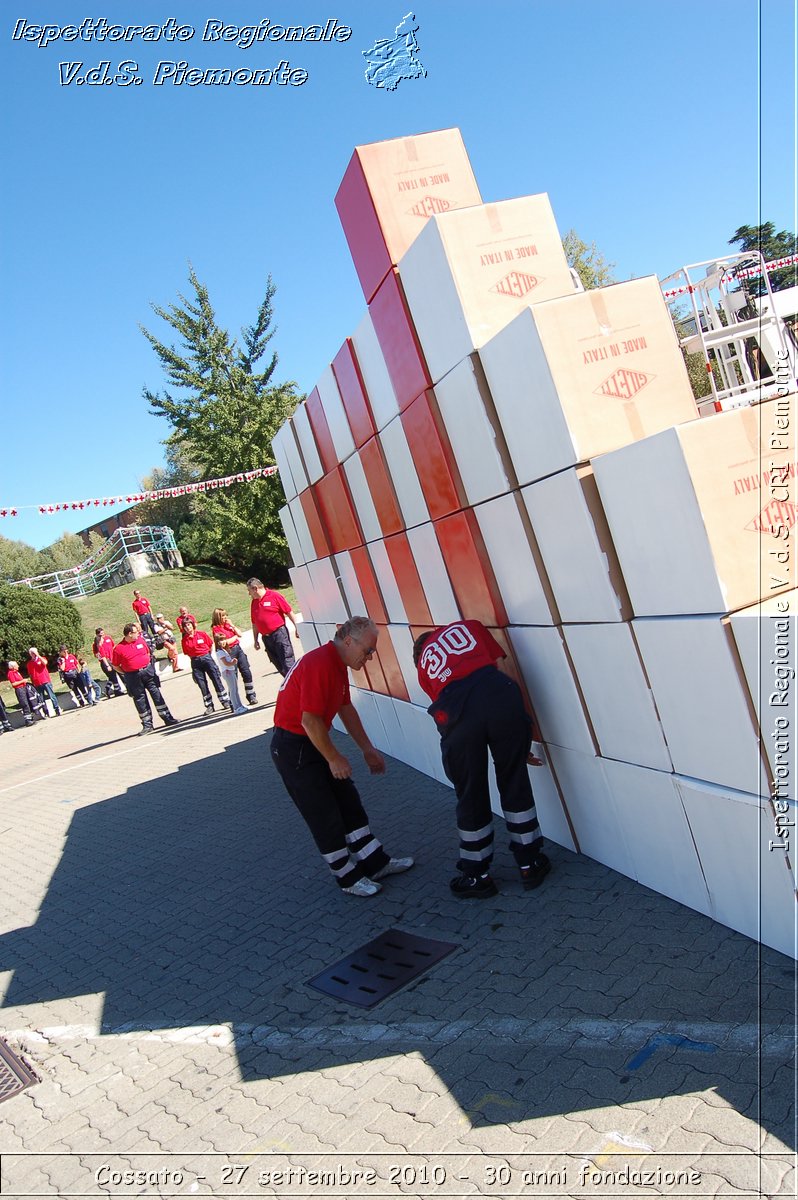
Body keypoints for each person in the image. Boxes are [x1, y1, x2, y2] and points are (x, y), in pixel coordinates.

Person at [270, 616, 413, 897]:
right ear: (349, 641)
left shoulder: (337, 663)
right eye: (368, 650)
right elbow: (309, 721)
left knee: (348, 800)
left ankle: (374, 862)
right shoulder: (321, 663)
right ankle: (347, 878)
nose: (370, 657)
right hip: (294, 747)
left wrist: (367, 749)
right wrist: (334, 758)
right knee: (323, 813)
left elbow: (346, 708)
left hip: (309, 741)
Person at [413, 619, 551, 898]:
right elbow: (501, 667)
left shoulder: (424, 666)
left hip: (457, 714)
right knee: (514, 780)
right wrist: (520, 741)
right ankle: (530, 863)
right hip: (501, 696)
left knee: (470, 793)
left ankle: (477, 875)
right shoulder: (469, 626)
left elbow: (445, 699)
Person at [111, 623, 180, 735]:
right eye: (136, 632)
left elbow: (147, 653)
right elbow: (115, 666)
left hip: (148, 672)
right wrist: (128, 672)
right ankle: (147, 724)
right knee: (140, 699)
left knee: (156, 694)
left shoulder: (140, 641)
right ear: (129, 634)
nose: (138, 633)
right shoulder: (118, 649)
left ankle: (167, 718)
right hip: (133, 676)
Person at [180, 618, 231, 715]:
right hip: (195, 662)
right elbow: (187, 652)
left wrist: (206, 656)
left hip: (207, 658)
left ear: (193, 625)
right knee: (202, 685)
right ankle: (209, 705)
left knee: (216, 679)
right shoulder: (184, 640)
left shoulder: (201, 634)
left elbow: (210, 644)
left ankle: (225, 701)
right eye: (185, 626)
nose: (188, 627)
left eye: (189, 625)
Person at [248, 577, 297, 677]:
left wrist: (297, 627)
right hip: (266, 638)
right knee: (279, 665)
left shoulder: (274, 596)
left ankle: (298, 685)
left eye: (249, 590)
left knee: (288, 663)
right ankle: (291, 686)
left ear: (255, 588)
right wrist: (255, 640)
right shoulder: (254, 602)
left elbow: (288, 611)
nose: (249, 594)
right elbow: (255, 623)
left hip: (279, 635)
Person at [211, 607, 256, 704]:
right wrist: (235, 637)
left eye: (226, 615)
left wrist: (232, 625)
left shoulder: (228, 625)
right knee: (233, 677)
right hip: (229, 652)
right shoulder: (216, 629)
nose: (225, 617)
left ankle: (251, 694)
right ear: (217, 617)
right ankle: (233, 701)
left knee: (246, 671)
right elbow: (224, 642)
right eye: (223, 616)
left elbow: (240, 634)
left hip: (238, 649)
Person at [7, 661, 45, 725]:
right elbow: (13, 684)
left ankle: (31, 718)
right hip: (19, 689)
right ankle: (28, 720)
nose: (18, 666)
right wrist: (22, 681)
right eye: (17, 665)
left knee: (28, 702)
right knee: (24, 703)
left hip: (23, 688)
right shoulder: (11, 673)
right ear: (13, 667)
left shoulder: (17, 672)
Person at [27, 648, 62, 715]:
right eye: (32, 653)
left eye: (34, 652)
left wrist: (38, 655)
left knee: (52, 696)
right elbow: (30, 674)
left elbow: (45, 663)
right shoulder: (29, 664)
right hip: (37, 683)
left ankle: (56, 709)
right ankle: (46, 712)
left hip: (45, 681)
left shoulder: (42, 658)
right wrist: (33, 683)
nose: (33, 654)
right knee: (41, 699)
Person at [215, 643, 248, 715]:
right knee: (232, 690)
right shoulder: (219, 652)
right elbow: (226, 663)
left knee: (235, 689)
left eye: (224, 639)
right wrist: (233, 662)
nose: (223, 642)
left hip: (230, 670)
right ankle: (236, 707)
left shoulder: (223, 650)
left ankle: (240, 705)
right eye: (220, 640)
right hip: (227, 672)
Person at [92, 628, 126, 698]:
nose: (102, 636)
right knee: (113, 677)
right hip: (106, 661)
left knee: (120, 673)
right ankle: (116, 690)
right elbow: (99, 656)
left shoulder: (108, 638)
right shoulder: (96, 645)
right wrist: (107, 664)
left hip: (113, 658)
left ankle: (125, 686)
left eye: (103, 634)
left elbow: (113, 646)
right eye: (100, 635)